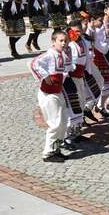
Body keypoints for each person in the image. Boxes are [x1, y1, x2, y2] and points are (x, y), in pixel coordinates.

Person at [29, 30, 69, 162]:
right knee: (55, 123)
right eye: (60, 41)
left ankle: (56, 149)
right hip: (48, 94)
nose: (63, 43)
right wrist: (45, 77)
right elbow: (33, 63)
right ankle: (48, 153)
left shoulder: (61, 55)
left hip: (58, 92)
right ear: (53, 42)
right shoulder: (49, 54)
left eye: (65, 40)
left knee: (63, 121)